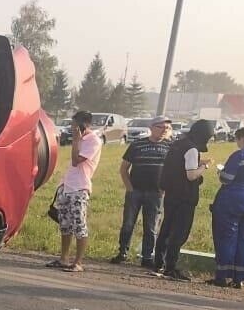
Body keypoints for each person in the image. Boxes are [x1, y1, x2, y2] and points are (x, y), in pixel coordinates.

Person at [152, 119, 214, 281]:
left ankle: (158, 263)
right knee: (179, 233)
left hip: (171, 193)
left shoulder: (178, 144)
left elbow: (177, 165)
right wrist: (204, 167)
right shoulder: (192, 149)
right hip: (185, 196)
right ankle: (170, 267)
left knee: (166, 228)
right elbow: (191, 175)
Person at [46, 109, 103, 272]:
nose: (72, 128)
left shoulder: (93, 141)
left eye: (74, 125)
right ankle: (63, 258)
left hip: (80, 187)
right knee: (65, 224)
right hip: (67, 186)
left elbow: (76, 161)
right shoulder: (80, 139)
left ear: (84, 125)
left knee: (79, 225)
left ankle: (78, 262)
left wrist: (77, 140)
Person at [112, 116, 171, 267]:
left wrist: (165, 189)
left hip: (156, 193)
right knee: (128, 224)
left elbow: (174, 170)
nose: (164, 130)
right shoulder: (137, 144)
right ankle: (122, 252)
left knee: (151, 227)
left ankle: (147, 257)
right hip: (136, 191)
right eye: (161, 127)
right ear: (151, 127)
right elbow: (124, 168)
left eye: (167, 128)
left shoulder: (171, 146)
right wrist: (129, 187)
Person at [210, 126, 244, 288]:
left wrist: (220, 172)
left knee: (228, 237)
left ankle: (222, 276)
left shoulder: (240, 155)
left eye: (237, 139)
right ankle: (240, 278)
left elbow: (227, 178)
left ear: (243, 138)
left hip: (233, 201)